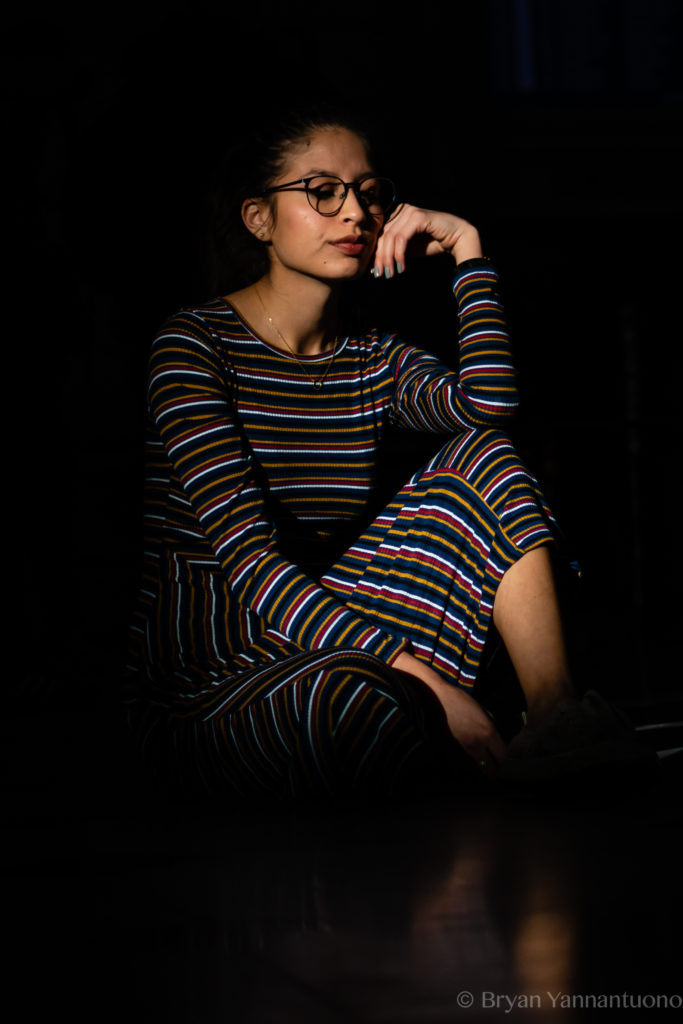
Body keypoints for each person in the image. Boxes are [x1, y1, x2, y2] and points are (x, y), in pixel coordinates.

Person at [125, 105, 582, 802]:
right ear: (258, 219)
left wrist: (466, 247)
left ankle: (557, 721)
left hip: (335, 641)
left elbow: (489, 408)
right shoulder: (193, 347)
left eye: (369, 193)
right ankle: (433, 730)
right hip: (216, 681)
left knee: (482, 456)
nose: (356, 214)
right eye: (322, 192)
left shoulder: (371, 359)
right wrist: (424, 683)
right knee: (353, 706)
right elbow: (250, 566)